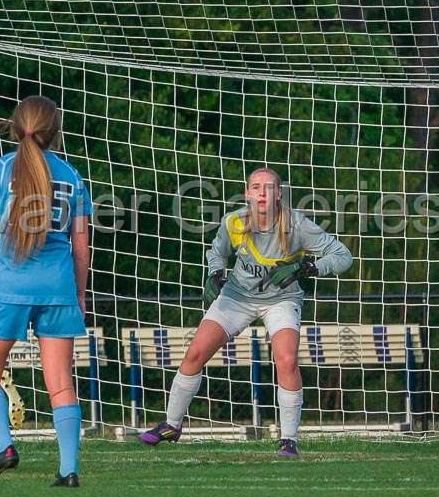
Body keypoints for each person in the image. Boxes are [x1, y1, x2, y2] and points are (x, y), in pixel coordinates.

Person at [138, 167, 352, 457]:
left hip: (282, 299)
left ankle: (289, 440)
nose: (262, 192)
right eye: (256, 187)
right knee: (195, 354)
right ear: (247, 193)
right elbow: (216, 253)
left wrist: (309, 267)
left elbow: (342, 256)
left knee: (286, 360)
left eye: (269, 187)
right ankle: (171, 425)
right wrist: (214, 274)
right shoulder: (234, 221)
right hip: (236, 296)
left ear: (279, 194)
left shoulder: (297, 225)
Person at [0, 94, 91, 488]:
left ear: (15, 128)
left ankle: (4, 447)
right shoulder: (72, 176)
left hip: (10, 285)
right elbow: (81, 246)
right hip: (58, 286)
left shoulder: (0, 170)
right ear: (55, 132)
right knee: (61, 381)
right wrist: (79, 294)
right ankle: (68, 470)